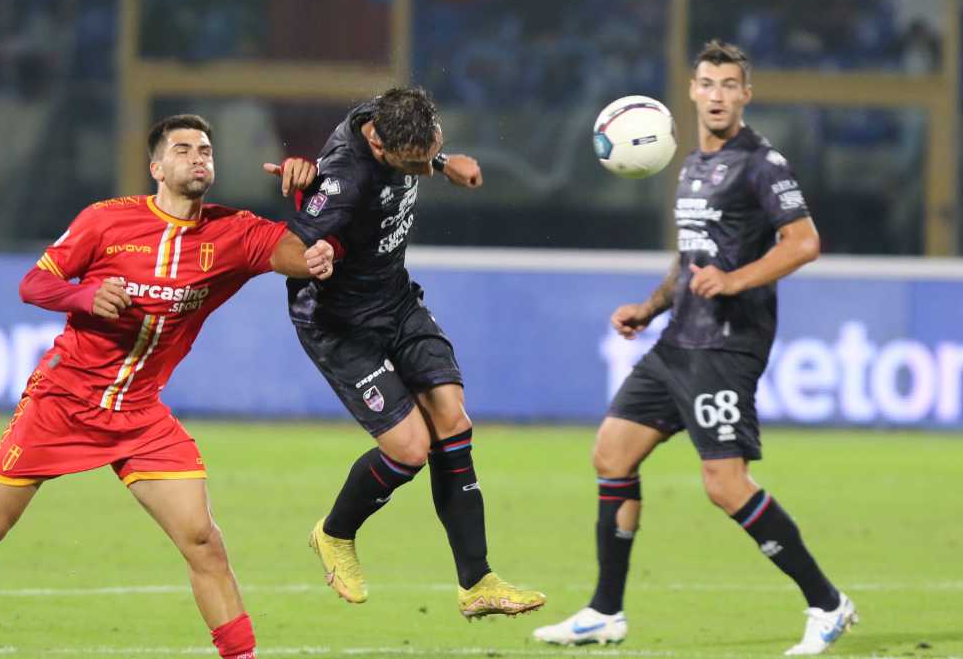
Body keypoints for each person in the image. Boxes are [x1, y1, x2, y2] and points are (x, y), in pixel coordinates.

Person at [0, 115, 334, 659]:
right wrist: (84, 297)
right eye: (183, 149)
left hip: (139, 416)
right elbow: (35, 283)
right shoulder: (105, 222)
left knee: (203, 541)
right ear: (156, 168)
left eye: (205, 150)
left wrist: (310, 211)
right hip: (63, 402)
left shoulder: (233, 233)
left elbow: (302, 256)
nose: (198, 157)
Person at [532, 41, 857, 656]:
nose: (717, 95)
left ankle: (827, 603)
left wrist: (733, 281)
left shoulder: (763, 163)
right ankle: (605, 611)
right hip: (679, 336)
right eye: (707, 83)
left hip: (727, 345)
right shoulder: (688, 165)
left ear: (745, 94)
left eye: (729, 85)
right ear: (690, 91)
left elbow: (805, 242)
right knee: (612, 453)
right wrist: (650, 306)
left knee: (725, 483)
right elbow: (690, 258)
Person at [287, 86, 546, 618]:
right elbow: (296, 243)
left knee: (452, 419)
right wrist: (309, 235)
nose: (423, 166)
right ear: (379, 145)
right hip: (340, 324)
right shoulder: (344, 179)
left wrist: (443, 164)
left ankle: (478, 584)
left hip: (396, 301)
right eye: (416, 163)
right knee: (409, 449)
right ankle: (334, 534)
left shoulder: (380, 114)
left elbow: (418, 149)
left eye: (432, 149)